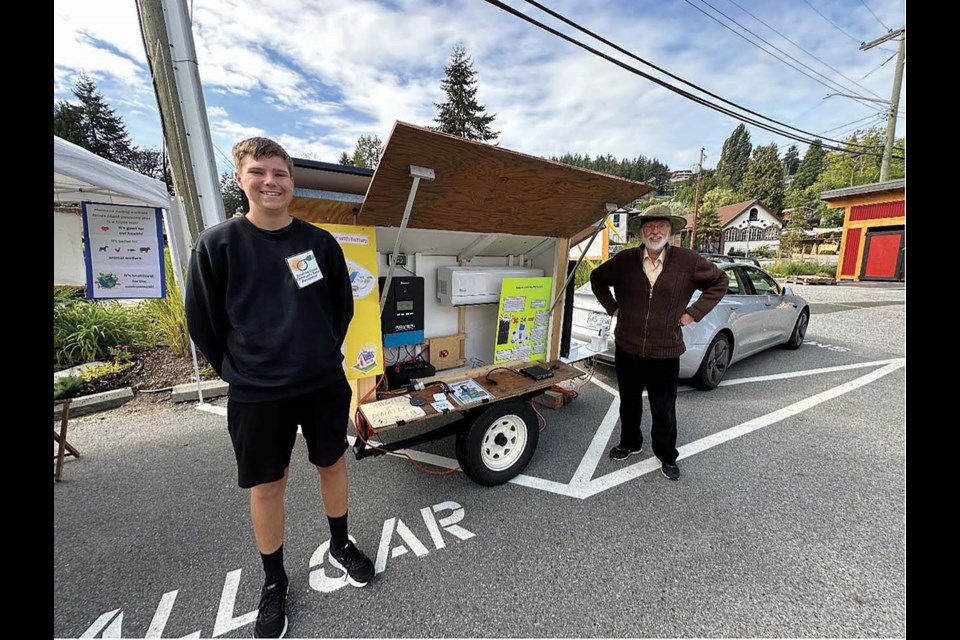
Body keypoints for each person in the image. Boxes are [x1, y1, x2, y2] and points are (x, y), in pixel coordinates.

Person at [185, 137, 375, 638]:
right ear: (240, 179)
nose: (271, 181)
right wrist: (239, 370)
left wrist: (317, 353)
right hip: (257, 392)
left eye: (280, 173)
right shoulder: (217, 245)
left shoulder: (319, 243)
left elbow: (341, 309)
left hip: (320, 384)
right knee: (269, 486)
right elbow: (203, 323)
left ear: (292, 182)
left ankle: (339, 544)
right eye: (259, 172)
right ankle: (274, 581)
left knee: (332, 464)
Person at [590, 204, 728, 481]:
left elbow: (720, 281)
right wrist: (613, 308)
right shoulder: (626, 260)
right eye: (649, 227)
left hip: (666, 350)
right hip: (628, 347)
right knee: (628, 402)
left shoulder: (688, 261)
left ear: (670, 230)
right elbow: (597, 279)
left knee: (664, 407)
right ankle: (630, 442)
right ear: (641, 231)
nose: (655, 231)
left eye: (661, 226)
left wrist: (693, 314)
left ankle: (666, 454)